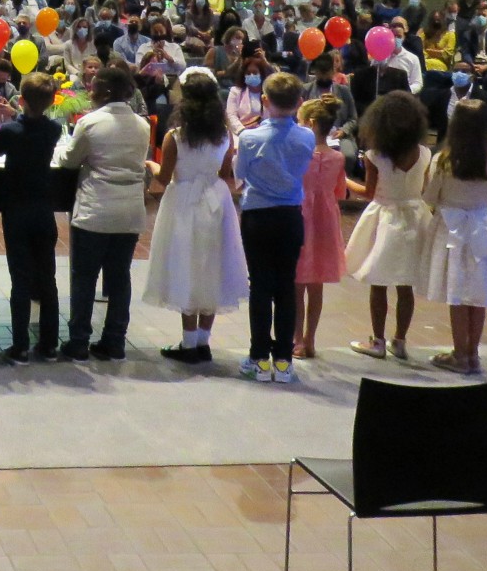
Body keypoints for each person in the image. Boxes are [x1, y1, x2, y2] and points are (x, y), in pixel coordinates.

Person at [145, 70, 245, 364]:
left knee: (185, 265)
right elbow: (225, 174)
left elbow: (164, 178)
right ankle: (203, 341)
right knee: (212, 266)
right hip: (216, 201)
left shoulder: (175, 137)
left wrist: (151, 165)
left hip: (184, 201)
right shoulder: (225, 135)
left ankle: (188, 343)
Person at [56, 64, 152, 362]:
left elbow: (70, 161)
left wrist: (60, 150)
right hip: (129, 211)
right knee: (119, 278)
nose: (90, 91)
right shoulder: (142, 125)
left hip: (95, 210)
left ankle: (79, 341)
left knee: (84, 278)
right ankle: (114, 341)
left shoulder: (90, 122)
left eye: (94, 87)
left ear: (106, 91)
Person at [233, 73, 316, 384]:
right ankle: (283, 361)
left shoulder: (249, 138)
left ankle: (258, 358)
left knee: (261, 286)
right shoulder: (306, 136)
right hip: (290, 216)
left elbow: (240, 174)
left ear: (265, 101)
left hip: (258, 216)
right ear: (298, 103)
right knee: (285, 286)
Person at [421, 100, 487, 375]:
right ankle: (473, 353)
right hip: (482, 226)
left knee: (457, 293)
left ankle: (460, 353)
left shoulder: (443, 160)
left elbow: (429, 196)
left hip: (451, 227)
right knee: (478, 292)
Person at [343, 90, 432, 361]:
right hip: (416, 216)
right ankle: (400, 340)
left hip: (385, 217)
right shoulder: (425, 153)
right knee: (406, 285)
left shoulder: (374, 155)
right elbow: (424, 188)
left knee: (378, 281)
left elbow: (368, 192)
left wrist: (345, 181)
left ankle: (378, 340)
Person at [0, 72, 64, 364]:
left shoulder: (10, 132)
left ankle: (20, 346)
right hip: (43, 209)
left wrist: (5, 117)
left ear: (21, 99)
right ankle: (49, 345)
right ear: (51, 101)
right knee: (47, 277)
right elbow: (35, 122)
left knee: (20, 279)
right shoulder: (55, 130)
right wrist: (16, 113)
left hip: (17, 210)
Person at [292, 95, 348, 359]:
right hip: (326, 219)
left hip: (301, 216)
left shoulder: (300, 154)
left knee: (297, 283)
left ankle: (296, 339)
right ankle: (310, 339)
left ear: (311, 124)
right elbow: (339, 191)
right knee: (316, 284)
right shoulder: (338, 157)